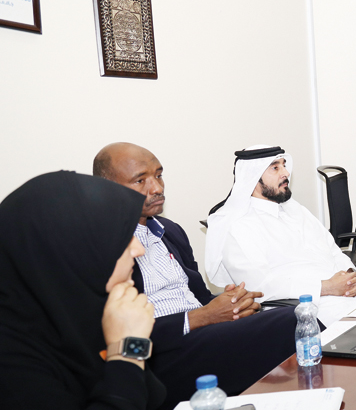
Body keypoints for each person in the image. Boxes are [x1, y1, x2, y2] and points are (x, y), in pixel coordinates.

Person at [93, 143, 298, 409]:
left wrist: (232, 303)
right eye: (140, 180)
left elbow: (200, 297)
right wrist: (202, 317)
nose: (157, 188)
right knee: (290, 321)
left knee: (296, 316)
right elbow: (117, 332)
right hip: (158, 356)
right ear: (108, 188)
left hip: (204, 334)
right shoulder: (103, 244)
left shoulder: (170, 231)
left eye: (159, 175)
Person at [0, 171, 165, 409]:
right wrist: (127, 350)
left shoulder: (87, 310)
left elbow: (149, 397)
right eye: (120, 238)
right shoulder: (10, 359)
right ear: (71, 252)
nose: (138, 249)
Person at [204, 145, 356, 324]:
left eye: (284, 165)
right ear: (252, 178)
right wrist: (326, 287)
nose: (286, 172)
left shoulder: (296, 210)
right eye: (275, 167)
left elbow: (333, 251)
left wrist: (350, 278)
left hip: (351, 296)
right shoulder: (236, 226)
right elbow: (260, 285)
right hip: (312, 308)